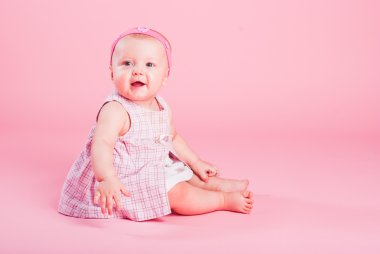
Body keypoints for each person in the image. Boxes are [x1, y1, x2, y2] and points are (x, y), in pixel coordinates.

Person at [58, 27, 254, 221]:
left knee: (189, 174)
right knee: (179, 193)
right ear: (112, 73)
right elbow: (101, 144)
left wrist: (195, 162)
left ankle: (217, 186)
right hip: (126, 177)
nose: (137, 72)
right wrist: (107, 178)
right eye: (127, 63)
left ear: (165, 76)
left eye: (150, 65)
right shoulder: (115, 110)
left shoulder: (162, 105)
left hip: (154, 164)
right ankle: (221, 199)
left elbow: (173, 138)